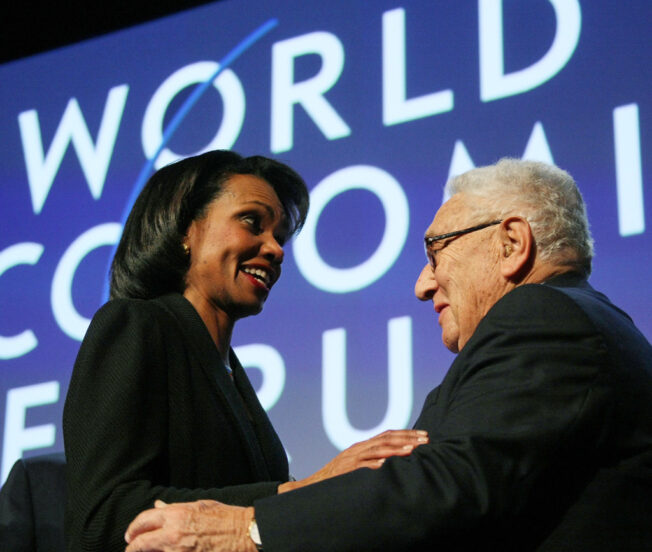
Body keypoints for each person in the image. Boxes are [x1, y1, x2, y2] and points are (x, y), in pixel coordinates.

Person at [125, 158, 652, 552]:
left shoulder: (545, 317)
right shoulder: (577, 325)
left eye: (434, 252)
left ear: (511, 244)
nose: (423, 285)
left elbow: (450, 484)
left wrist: (247, 528)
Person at [63, 150, 427, 552]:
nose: (275, 249)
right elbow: (102, 516)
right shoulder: (134, 325)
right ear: (186, 229)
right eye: (252, 223)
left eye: (280, 237)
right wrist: (299, 493)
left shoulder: (234, 379)